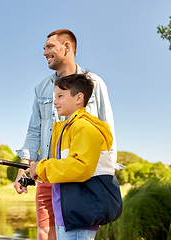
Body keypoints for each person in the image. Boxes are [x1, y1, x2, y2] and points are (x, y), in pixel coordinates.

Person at [13, 29, 117, 240]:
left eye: (50, 47)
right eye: (44, 48)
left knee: (75, 231)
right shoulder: (41, 88)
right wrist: (24, 168)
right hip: (45, 171)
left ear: (67, 47)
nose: (44, 52)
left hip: (78, 175)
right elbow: (34, 130)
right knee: (45, 232)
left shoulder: (95, 84)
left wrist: (106, 178)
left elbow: (107, 130)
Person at [28, 72, 114, 240]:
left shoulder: (84, 127)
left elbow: (80, 167)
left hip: (79, 216)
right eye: (55, 96)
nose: (55, 101)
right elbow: (65, 167)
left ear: (78, 98)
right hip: (67, 215)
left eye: (60, 96)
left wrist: (42, 166)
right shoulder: (68, 128)